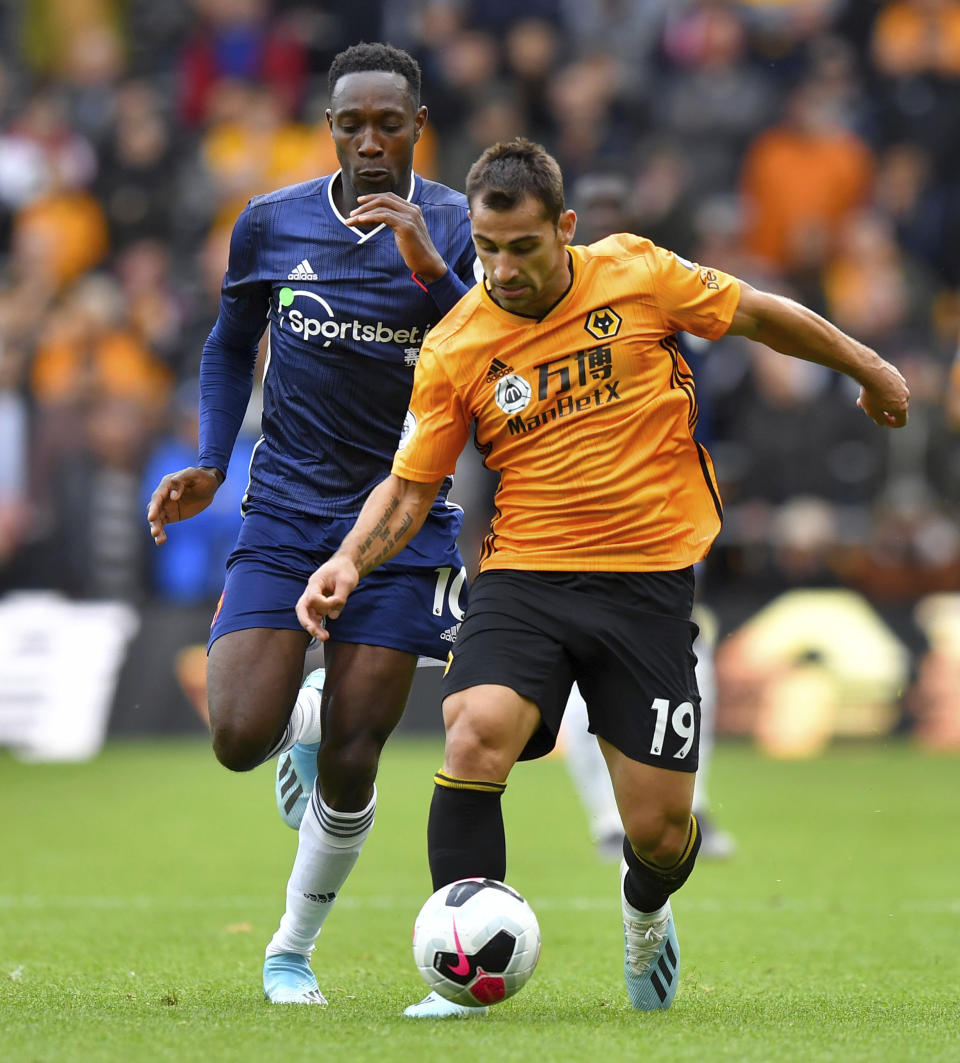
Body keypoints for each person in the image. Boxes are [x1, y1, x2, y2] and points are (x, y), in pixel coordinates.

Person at [295, 137, 909, 1018]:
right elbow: (411, 485)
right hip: (526, 578)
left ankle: (646, 910)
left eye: (523, 247)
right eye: (487, 248)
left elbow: (760, 314)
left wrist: (870, 366)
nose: (501, 269)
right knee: (473, 731)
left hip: (648, 585)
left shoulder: (637, 273)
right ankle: (465, 978)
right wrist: (347, 560)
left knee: (659, 833)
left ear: (566, 229)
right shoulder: (458, 344)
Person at [146, 43, 478, 1007]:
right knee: (238, 737)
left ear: (419, 126)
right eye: (351, 124)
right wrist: (212, 459)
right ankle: (295, 712)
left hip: (407, 512)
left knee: (356, 750)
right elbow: (229, 340)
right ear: (328, 128)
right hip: (287, 505)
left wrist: (428, 270)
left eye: (389, 124)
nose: (369, 142)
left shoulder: (457, 225)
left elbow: (496, 348)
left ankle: (289, 950)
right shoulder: (271, 222)